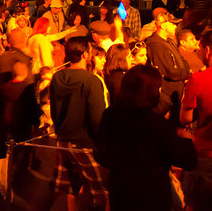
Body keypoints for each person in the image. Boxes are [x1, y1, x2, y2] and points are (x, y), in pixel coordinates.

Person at [98, 64, 197, 211]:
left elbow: (102, 155)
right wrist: (187, 139)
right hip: (151, 197)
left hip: (121, 194)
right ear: (150, 92)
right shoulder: (157, 124)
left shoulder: (110, 114)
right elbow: (188, 161)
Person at [48, 37, 107, 211]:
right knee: (102, 191)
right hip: (85, 143)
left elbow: (54, 110)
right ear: (85, 54)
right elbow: (97, 118)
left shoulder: (58, 77)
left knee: (73, 187)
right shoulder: (91, 81)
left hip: (63, 141)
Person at [180, 30, 212, 210]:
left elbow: (185, 118)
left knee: (195, 201)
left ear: (207, 51)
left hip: (205, 153)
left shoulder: (198, 79)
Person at [145, 13, 190, 124]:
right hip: (165, 102)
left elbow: (183, 61)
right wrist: (186, 73)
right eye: (173, 24)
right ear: (163, 26)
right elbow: (170, 71)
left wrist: (185, 70)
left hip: (174, 100)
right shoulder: (155, 45)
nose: (176, 27)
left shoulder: (169, 42)